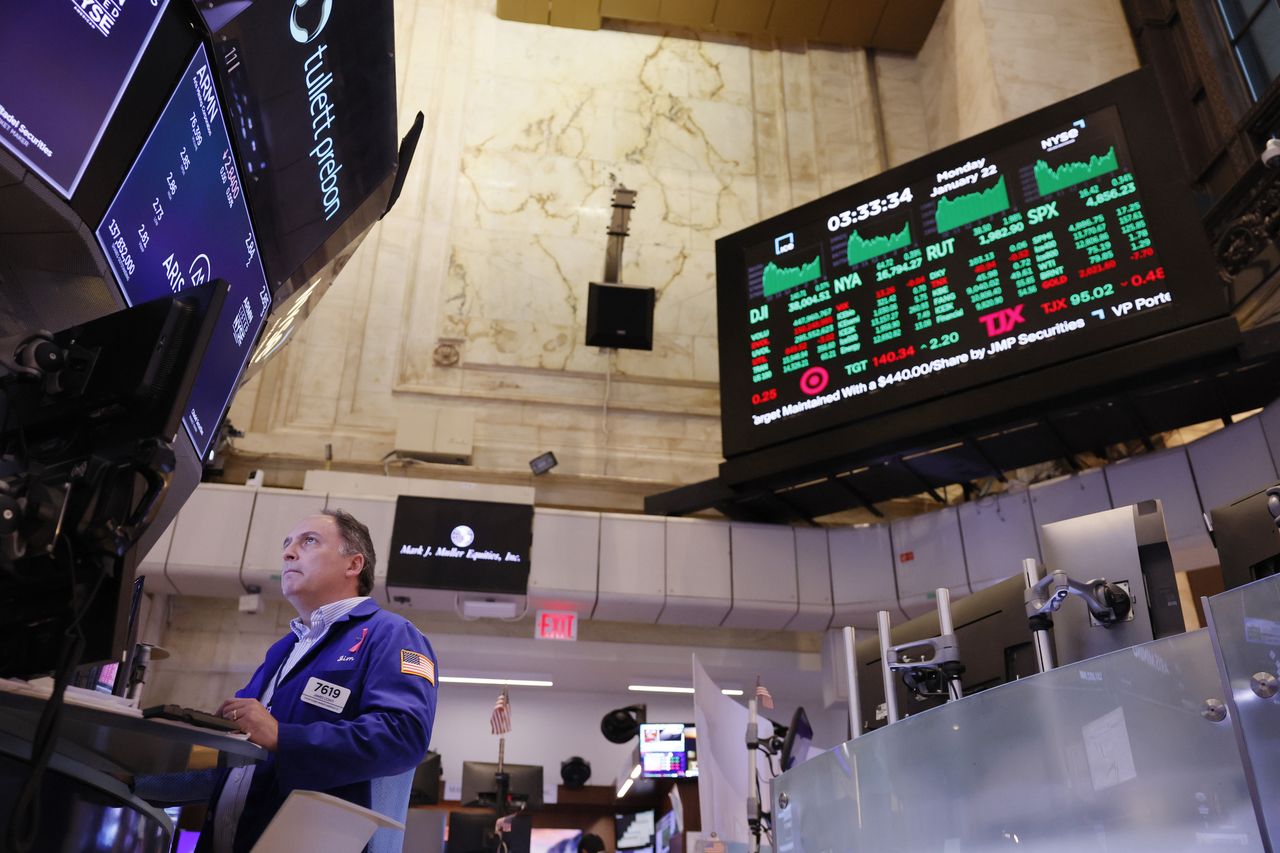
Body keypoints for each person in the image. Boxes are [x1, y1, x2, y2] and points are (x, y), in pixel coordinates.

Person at [197, 508, 438, 853]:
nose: (288, 553)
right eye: (287, 544)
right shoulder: (283, 650)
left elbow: (404, 736)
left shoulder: (391, 634)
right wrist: (141, 785)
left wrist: (284, 736)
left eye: (308, 541)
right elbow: (245, 770)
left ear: (354, 565)